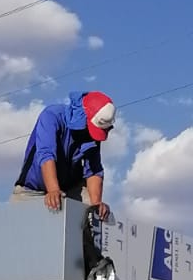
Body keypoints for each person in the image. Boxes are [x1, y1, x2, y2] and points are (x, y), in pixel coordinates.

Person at [11, 90, 115, 219]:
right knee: (17, 226)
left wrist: (96, 204)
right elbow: (46, 153)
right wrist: (53, 190)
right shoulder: (52, 115)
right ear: (84, 116)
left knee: (95, 214)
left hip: (70, 188)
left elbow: (94, 170)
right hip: (31, 189)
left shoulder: (92, 133)